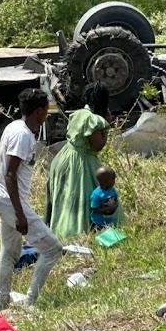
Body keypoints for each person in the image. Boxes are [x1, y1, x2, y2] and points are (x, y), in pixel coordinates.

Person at [0, 88, 64, 310]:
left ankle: (3, 303)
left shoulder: (15, 127)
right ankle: (31, 302)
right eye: (45, 110)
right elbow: (10, 174)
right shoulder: (22, 135)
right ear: (39, 111)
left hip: (6, 198)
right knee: (53, 249)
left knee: (10, 252)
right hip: (9, 201)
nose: (46, 115)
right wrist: (20, 215)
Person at [45, 82, 114, 241]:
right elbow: (97, 146)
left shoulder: (79, 113)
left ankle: (59, 228)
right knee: (82, 196)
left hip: (64, 157)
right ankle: (74, 232)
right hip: (80, 161)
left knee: (65, 195)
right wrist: (107, 125)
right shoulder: (93, 119)